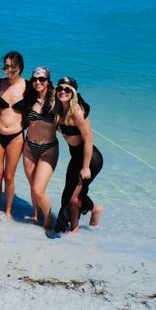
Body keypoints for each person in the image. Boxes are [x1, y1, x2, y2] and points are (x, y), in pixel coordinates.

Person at [52, 77, 104, 234]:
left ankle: (95, 209)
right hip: (76, 157)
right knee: (68, 194)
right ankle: (74, 228)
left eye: (67, 89)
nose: (63, 91)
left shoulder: (76, 111)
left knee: (75, 196)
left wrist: (86, 167)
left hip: (90, 158)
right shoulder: (58, 109)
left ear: (73, 93)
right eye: (60, 88)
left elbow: (88, 139)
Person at [0, 51, 36, 217]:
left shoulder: (29, 87)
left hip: (15, 136)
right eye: (6, 66)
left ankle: (7, 209)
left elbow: (44, 101)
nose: (8, 70)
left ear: (20, 67)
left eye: (12, 67)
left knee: (9, 177)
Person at [22, 67, 59, 229]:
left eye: (42, 79)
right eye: (35, 79)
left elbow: (75, 100)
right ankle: (36, 214)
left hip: (48, 150)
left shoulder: (56, 100)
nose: (38, 82)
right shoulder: (30, 98)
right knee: (32, 185)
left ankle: (49, 220)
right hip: (29, 147)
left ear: (48, 81)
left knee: (38, 189)